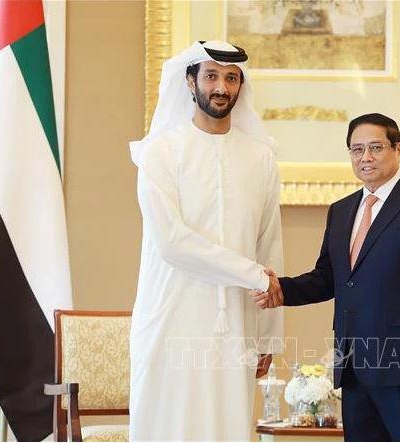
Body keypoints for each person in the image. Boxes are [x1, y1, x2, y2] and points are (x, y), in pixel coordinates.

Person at [255, 113, 400, 441]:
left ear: (399, 149)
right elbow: (328, 278)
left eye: (375, 147)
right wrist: (281, 288)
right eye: (356, 150)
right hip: (353, 365)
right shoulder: (341, 210)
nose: (365, 157)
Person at [129, 40, 284, 441]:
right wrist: (253, 274)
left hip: (236, 320)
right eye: (211, 75)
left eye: (231, 78)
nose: (221, 87)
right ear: (190, 81)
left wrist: (269, 336)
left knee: (228, 427)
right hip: (170, 316)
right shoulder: (160, 152)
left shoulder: (260, 157)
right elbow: (172, 242)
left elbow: (269, 246)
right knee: (169, 427)